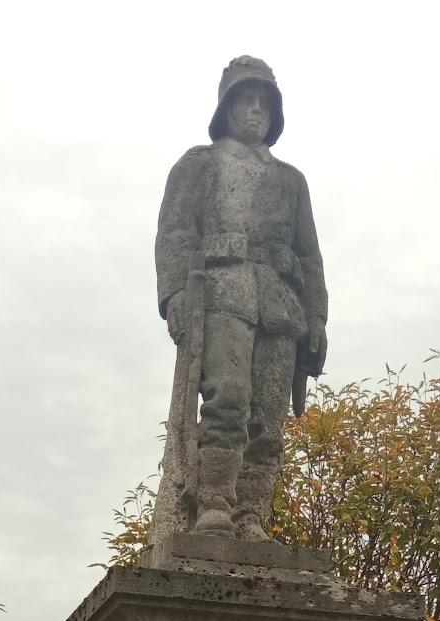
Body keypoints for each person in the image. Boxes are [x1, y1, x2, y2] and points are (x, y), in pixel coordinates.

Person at [155, 55, 328, 540]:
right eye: (245, 100)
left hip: (280, 307)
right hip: (221, 294)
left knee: (269, 421)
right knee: (227, 399)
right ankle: (214, 503)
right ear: (227, 108)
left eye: (263, 103)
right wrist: (174, 298)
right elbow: (175, 233)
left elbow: (309, 254)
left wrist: (317, 318)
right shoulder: (199, 165)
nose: (255, 110)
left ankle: (251, 513)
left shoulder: (291, 181)